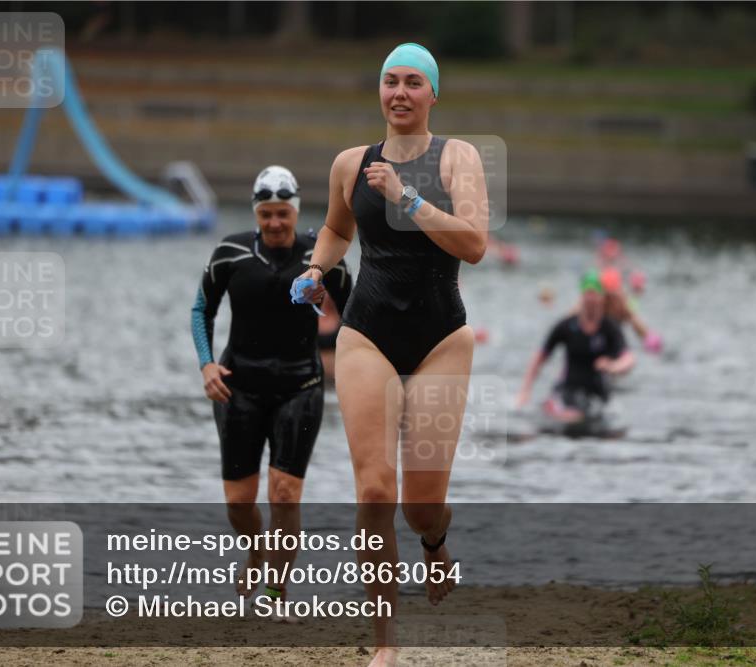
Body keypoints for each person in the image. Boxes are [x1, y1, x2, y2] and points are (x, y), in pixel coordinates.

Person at [291, 43, 488, 666]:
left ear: (433, 94)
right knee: (374, 492)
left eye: (412, 83)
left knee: (419, 503)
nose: (399, 93)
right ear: (379, 91)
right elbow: (337, 228)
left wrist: (407, 198)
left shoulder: (458, 157)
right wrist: (316, 267)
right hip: (366, 333)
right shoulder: (352, 162)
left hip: (440, 339)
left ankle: (435, 542)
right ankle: (384, 646)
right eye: (389, 82)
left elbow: (476, 243)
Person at [190, 165, 352, 609]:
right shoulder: (230, 252)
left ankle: (276, 592)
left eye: (284, 213)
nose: (276, 223)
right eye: (267, 214)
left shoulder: (321, 256)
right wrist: (206, 365)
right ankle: (257, 550)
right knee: (240, 504)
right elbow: (201, 309)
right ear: (257, 214)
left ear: (295, 212)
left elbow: (356, 313)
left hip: (300, 385)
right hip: (238, 387)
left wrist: (326, 303)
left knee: (284, 496)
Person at [516, 271, 635, 421]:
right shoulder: (566, 326)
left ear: (602, 298)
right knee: (557, 413)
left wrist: (612, 366)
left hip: (597, 393)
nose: (591, 298)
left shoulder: (609, 328)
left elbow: (629, 360)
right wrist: (525, 392)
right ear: (582, 296)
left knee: (581, 416)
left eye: (595, 294)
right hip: (568, 389)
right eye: (588, 294)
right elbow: (540, 357)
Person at [601, 267, 663, 354]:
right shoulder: (596, 306)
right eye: (608, 297)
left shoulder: (625, 306)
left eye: (613, 297)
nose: (611, 301)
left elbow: (649, 339)